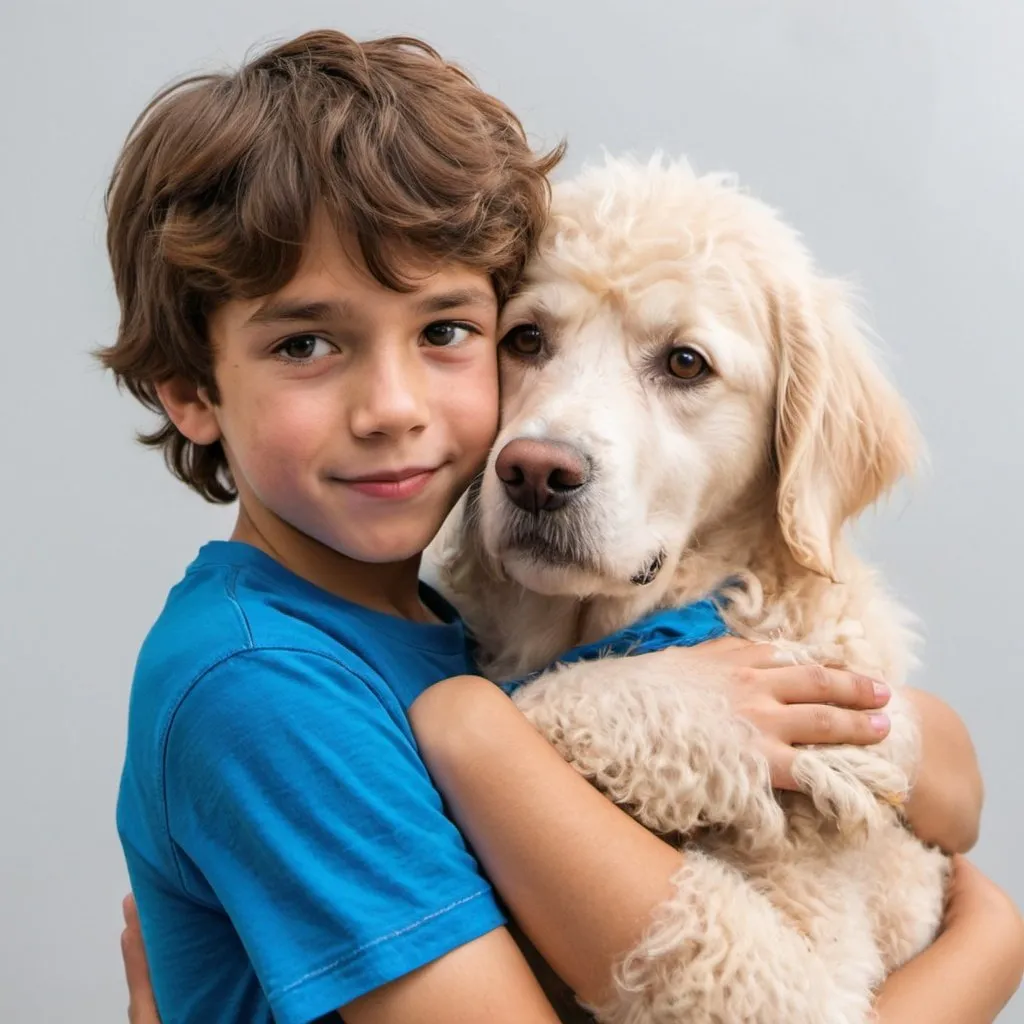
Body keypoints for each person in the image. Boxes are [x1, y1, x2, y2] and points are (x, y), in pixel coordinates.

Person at [102, 28, 1022, 1024]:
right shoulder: (267, 686)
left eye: (447, 332)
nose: (392, 405)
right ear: (193, 387)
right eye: (307, 341)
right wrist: (986, 953)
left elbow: (945, 776)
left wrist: (896, 745)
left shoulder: (445, 635)